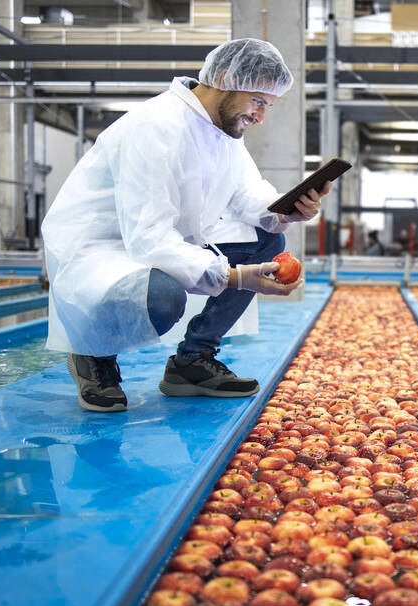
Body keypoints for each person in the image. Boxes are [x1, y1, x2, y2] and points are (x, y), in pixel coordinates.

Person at [41, 38, 331, 413]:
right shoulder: (155, 127)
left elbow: (246, 194)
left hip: (162, 241)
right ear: (226, 78)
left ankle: (191, 362)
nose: (261, 116)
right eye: (258, 101)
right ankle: (92, 353)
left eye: (268, 105)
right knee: (162, 298)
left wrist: (286, 213)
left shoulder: (222, 131)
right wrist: (235, 277)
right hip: (103, 250)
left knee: (267, 240)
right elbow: (149, 239)